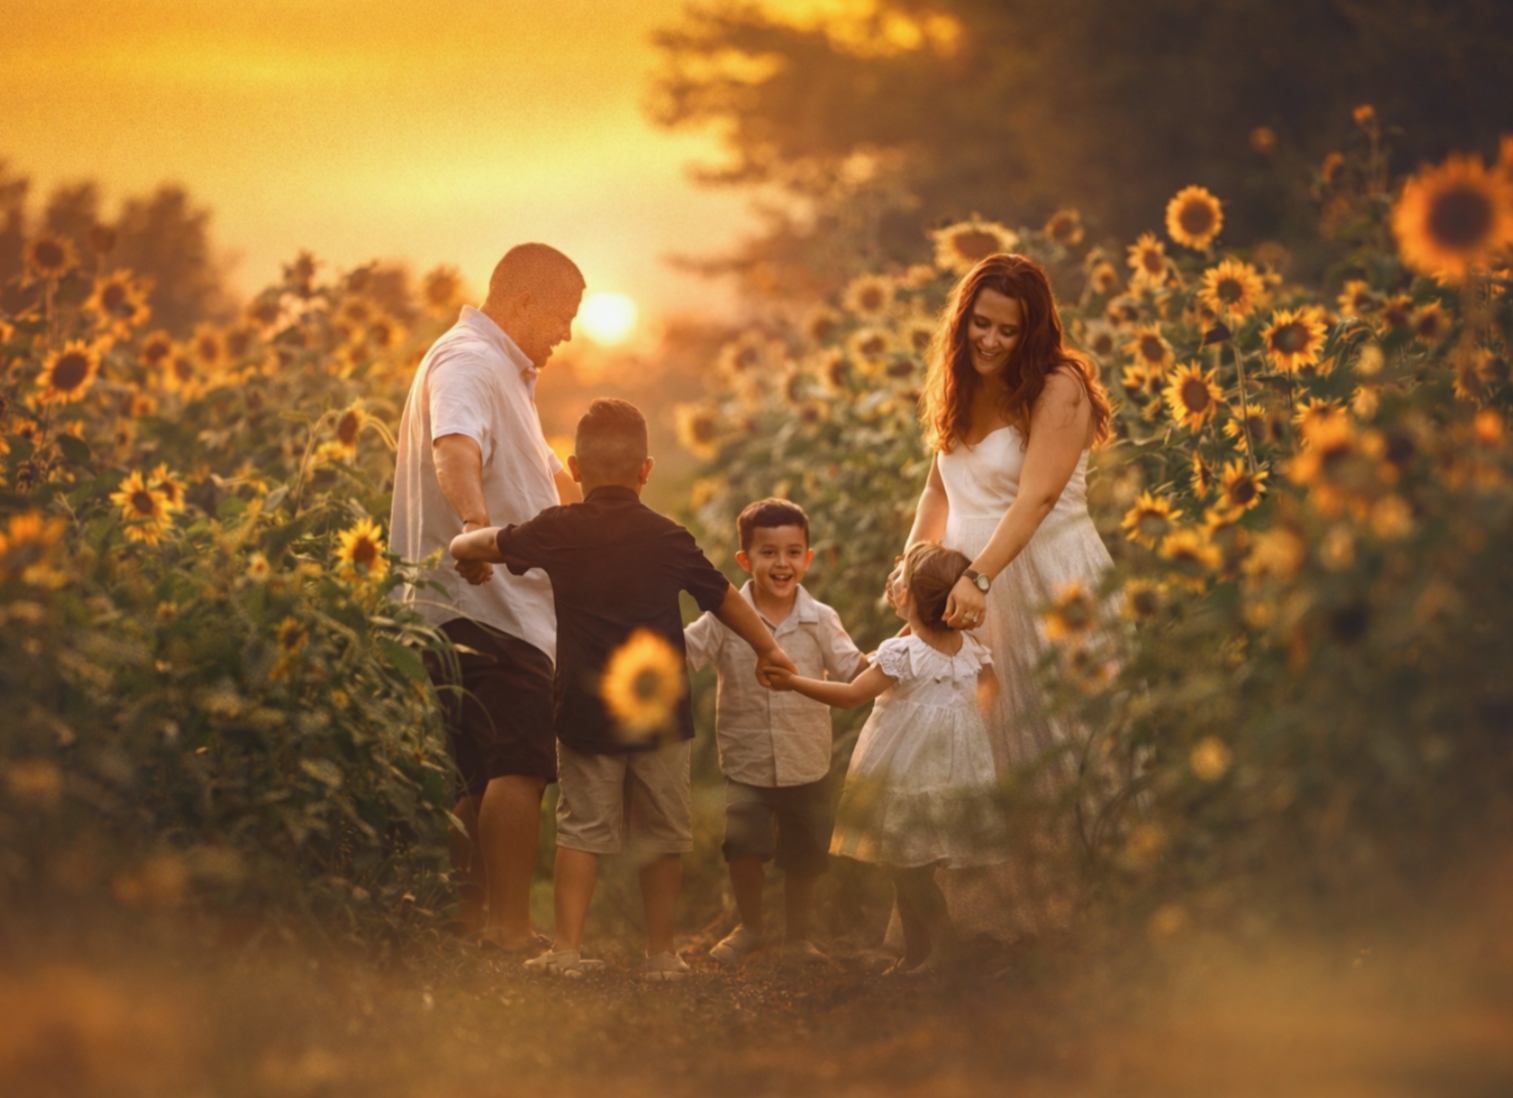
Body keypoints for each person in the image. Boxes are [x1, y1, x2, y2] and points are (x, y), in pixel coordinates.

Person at [449, 399, 796, 980]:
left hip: (583, 713)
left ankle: (566, 950)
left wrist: (466, 552)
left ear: (574, 469)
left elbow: (480, 545)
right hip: (660, 714)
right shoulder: (668, 537)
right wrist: (770, 648)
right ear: (646, 470)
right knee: (662, 835)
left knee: (581, 833)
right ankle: (661, 955)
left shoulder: (556, 530)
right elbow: (723, 597)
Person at [895, 251, 1114, 937]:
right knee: (974, 745)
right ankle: (984, 922)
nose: (988, 341)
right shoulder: (960, 385)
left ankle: (1076, 916)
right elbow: (939, 487)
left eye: (1006, 331)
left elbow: (1038, 496)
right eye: (979, 325)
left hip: (1046, 580)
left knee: (1053, 736)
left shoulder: (1059, 386)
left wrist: (977, 577)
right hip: (965, 586)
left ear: (1033, 332)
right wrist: (912, 570)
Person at [390, 243, 584, 950]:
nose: (565, 332)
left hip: (465, 608)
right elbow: (455, 446)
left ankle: (468, 923)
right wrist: (477, 529)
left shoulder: (495, 367)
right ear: (525, 301)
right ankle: (509, 929)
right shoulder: (471, 360)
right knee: (519, 766)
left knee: (475, 773)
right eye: (561, 315)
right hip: (492, 604)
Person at [772, 542, 1005, 975]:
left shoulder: (904, 653)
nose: (892, 580)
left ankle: (945, 949)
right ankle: (916, 955)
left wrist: (793, 683)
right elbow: (991, 692)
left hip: (907, 773)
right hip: (950, 773)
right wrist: (961, 724)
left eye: (899, 577)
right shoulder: (969, 648)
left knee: (911, 868)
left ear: (913, 598)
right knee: (907, 865)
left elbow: (850, 696)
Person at [685, 499, 866, 969]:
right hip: (746, 759)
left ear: (807, 557)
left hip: (806, 757)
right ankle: (751, 927)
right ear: (745, 560)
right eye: (768, 553)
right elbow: (685, 653)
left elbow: (852, 669)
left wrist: (900, 651)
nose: (781, 564)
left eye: (792, 552)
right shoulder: (726, 616)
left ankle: (798, 938)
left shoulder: (821, 619)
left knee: (803, 853)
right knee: (743, 845)